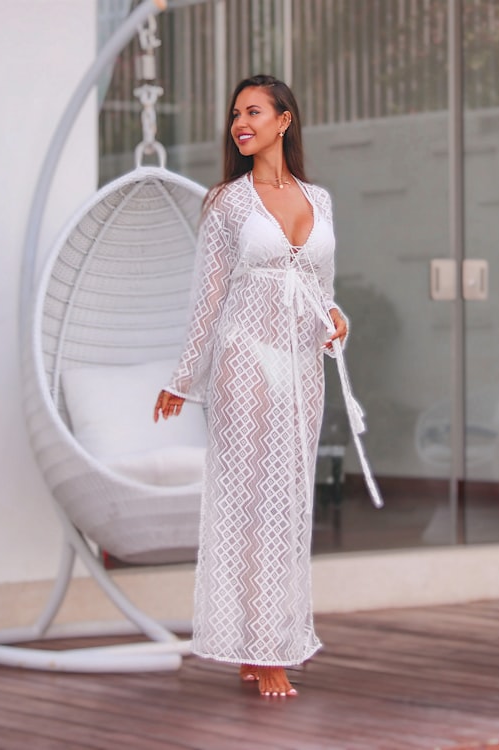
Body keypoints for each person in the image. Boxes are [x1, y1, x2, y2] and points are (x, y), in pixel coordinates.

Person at [153, 74, 348, 698]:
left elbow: (322, 287)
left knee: (288, 501)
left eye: (254, 111)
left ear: (284, 121)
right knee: (250, 500)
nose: (241, 122)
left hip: (300, 366)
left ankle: (262, 636)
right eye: (236, 113)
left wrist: (336, 322)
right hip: (245, 356)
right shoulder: (228, 202)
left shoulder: (319, 197)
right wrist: (184, 378)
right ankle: (262, 650)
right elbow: (206, 298)